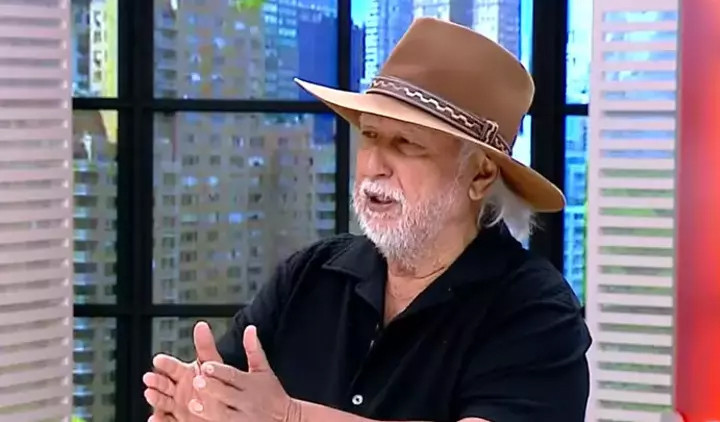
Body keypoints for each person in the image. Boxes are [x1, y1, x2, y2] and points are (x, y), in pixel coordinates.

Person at [143, 17, 591, 422]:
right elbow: (228, 404)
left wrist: (290, 417)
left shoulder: (535, 311)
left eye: (406, 144)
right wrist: (190, 408)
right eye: (370, 135)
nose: (374, 164)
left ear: (480, 175)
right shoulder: (309, 276)